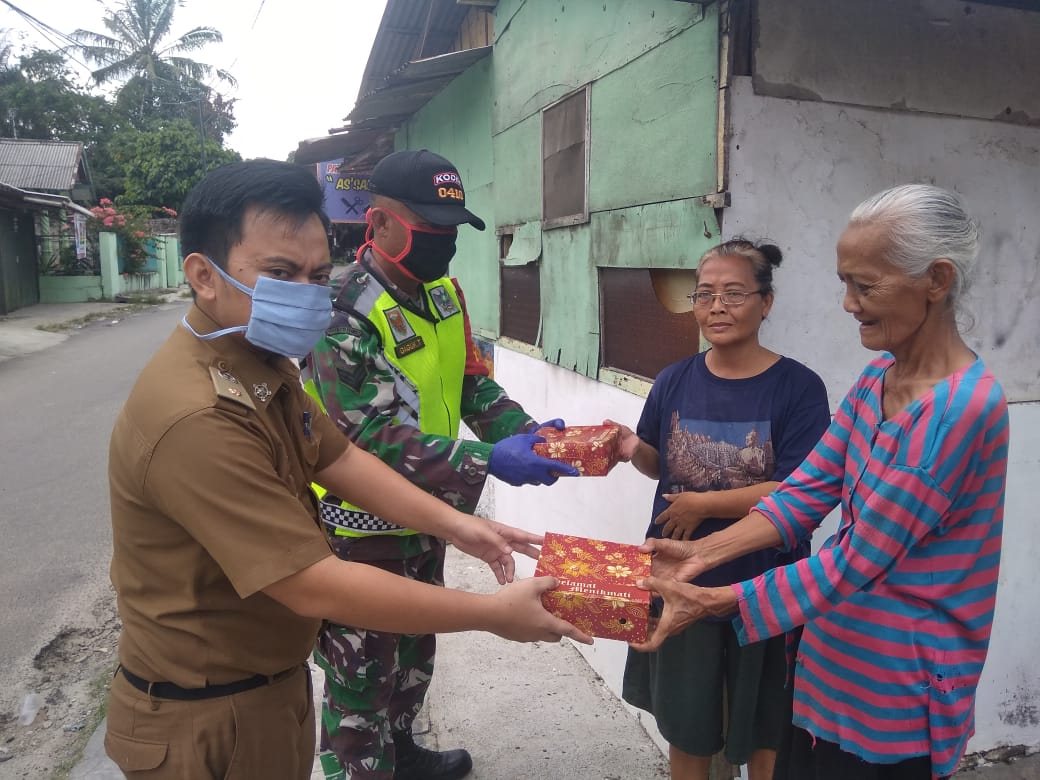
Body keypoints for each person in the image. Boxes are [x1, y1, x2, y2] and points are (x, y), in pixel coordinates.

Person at [105, 159, 591, 780]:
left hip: (263, 685)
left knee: (406, 666)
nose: (306, 293)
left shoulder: (261, 361)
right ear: (203, 274)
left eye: (314, 273)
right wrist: (493, 613)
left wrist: (466, 524)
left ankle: (403, 753)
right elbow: (311, 577)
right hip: (210, 709)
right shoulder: (199, 415)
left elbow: (336, 454)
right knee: (362, 688)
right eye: (280, 273)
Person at [631, 185, 1010, 780]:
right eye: (845, 283)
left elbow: (859, 559)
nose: (848, 304)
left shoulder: (958, 412)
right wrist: (699, 553)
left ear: (936, 280)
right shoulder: (880, 374)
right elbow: (807, 488)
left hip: (895, 687)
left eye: (866, 285)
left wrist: (715, 597)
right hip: (828, 656)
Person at [300, 148, 579, 780]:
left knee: (413, 653)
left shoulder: (445, 294)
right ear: (380, 225)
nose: (444, 242)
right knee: (360, 677)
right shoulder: (340, 310)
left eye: (452, 228)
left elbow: (472, 384)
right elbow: (362, 435)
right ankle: (359, 768)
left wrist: (528, 434)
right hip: (360, 527)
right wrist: (486, 461)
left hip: (429, 519)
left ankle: (403, 755)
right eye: (430, 228)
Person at [612, 239, 831, 780]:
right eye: (705, 294)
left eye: (734, 294)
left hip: (766, 583)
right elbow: (659, 463)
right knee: (687, 724)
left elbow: (799, 486)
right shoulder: (674, 380)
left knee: (768, 726)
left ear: (766, 302)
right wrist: (627, 447)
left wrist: (704, 503)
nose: (716, 307)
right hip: (678, 579)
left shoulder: (799, 387)